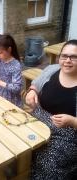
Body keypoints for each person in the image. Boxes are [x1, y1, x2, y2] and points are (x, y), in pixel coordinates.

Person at [25, 40, 77, 179]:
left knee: (49, 164)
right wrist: (32, 91)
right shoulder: (52, 69)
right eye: (64, 56)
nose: (67, 60)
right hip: (38, 118)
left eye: (73, 57)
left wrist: (72, 121)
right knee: (16, 142)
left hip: (67, 134)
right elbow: (36, 83)